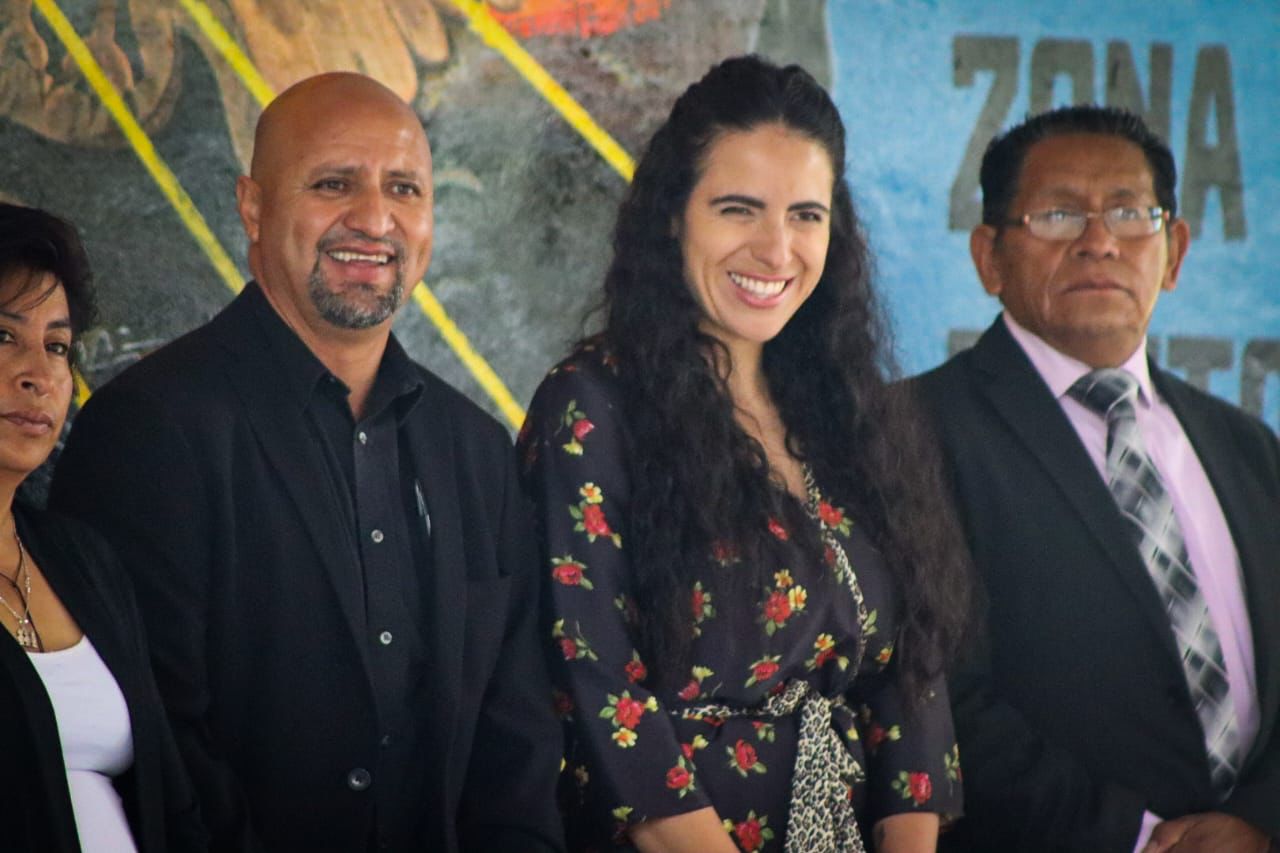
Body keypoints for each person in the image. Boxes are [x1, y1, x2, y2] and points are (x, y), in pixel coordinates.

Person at [49, 73, 563, 852]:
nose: (375, 218)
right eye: (333, 183)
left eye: (404, 188)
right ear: (253, 206)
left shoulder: (477, 452)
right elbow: (165, 747)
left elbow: (517, 746)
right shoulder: (149, 430)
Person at [517, 55, 971, 853]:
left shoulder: (849, 409)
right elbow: (595, 684)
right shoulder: (592, 405)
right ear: (672, 216)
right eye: (739, 209)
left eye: (806, 214)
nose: (776, 248)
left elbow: (911, 679)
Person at [916, 105, 1280, 853]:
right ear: (989, 258)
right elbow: (938, 699)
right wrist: (1138, 840)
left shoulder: (1248, 448)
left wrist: (1261, 823)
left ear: (1174, 253)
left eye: (1130, 213)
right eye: (1057, 215)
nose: (1099, 241)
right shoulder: (912, 433)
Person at [0, 203, 206, 852]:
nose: (38, 374)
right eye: (3, 336)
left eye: (57, 346)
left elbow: (170, 795)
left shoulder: (81, 559)